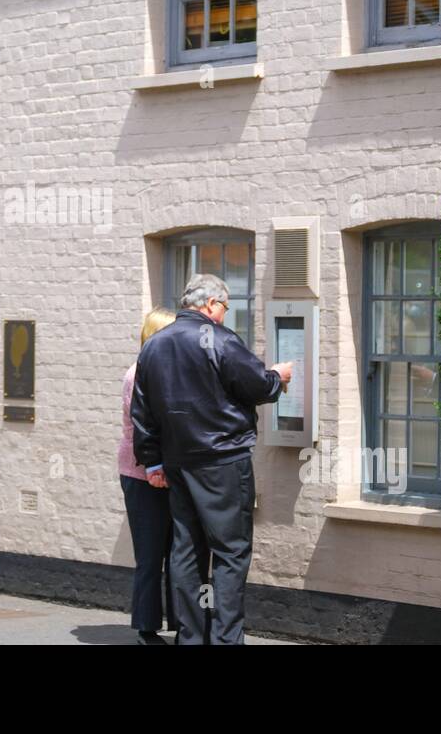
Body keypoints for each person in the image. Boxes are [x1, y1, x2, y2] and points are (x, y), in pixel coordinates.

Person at [131, 273, 293, 645]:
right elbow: (257, 385)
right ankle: (224, 639)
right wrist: (277, 377)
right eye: (224, 307)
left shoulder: (153, 346)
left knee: (186, 550)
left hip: (178, 464)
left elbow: (142, 412)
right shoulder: (219, 340)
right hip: (222, 462)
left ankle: (190, 637)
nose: (224, 315)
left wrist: (153, 462)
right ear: (210, 305)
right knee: (230, 552)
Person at [119, 307, 179, 645]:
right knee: (151, 552)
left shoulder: (168, 373)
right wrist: (155, 467)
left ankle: (183, 623)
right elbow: (142, 430)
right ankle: (146, 628)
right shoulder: (137, 374)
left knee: (179, 552)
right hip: (141, 476)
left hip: (170, 474)